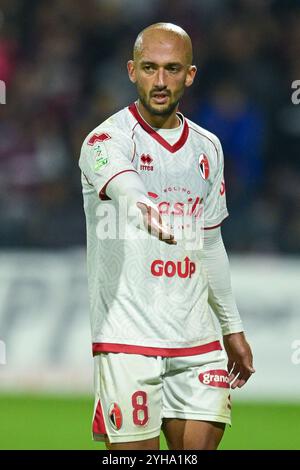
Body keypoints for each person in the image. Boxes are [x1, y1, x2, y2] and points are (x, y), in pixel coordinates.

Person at [79, 22, 255, 451]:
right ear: (131, 71)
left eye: (172, 69)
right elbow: (124, 184)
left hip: (197, 337)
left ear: (189, 75)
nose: (160, 81)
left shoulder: (208, 147)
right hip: (128, 337)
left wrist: (232, 327)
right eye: (150, 68)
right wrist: (146, 207)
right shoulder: (104, 139)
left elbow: (210, 242)